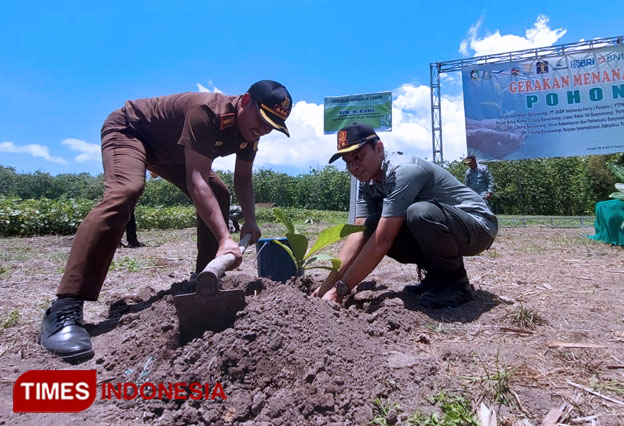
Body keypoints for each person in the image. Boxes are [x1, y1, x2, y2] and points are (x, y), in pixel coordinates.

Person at [40, 80, 293, 363]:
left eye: (272, 125)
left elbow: (243, 178)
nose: (264, 129)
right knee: (126, 190)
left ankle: (204, 285)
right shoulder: (206, 113)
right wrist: (225, 238)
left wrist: (250, 220)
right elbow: (197, 180)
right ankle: (65, 308)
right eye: (261, 120)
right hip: (131, 131)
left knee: (220, 193)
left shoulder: (251, 131)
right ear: (245, 101)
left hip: (171, 150)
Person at [314, 123, 498, 308]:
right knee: (373, 224)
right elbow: (360, 232)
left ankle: (456, 283)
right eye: (348, 162)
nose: (353, 167)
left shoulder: (403, 171)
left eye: (358, 157)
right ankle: (436, 277)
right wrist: (326, 286)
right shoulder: (367, 182)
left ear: (379, 148)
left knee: (418, 214)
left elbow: (383, 239)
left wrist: (341, 289)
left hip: (478, 226)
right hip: (448, 227)